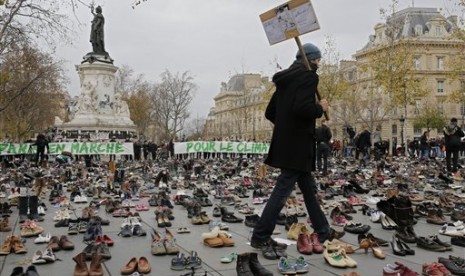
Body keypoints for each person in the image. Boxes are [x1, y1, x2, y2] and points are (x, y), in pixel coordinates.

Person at [250, 43, 343, 259]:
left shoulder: (284, 80)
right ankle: (260, 235)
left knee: (308, 188)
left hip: (286, 144)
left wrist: (286, 127)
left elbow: (270, 112)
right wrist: (321, 108)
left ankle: (323, 231)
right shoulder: (309, 77)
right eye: (318, 60)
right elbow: (303, 108)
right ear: (310, 59)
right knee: (282, 190)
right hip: (299, 146)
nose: (319, 63)